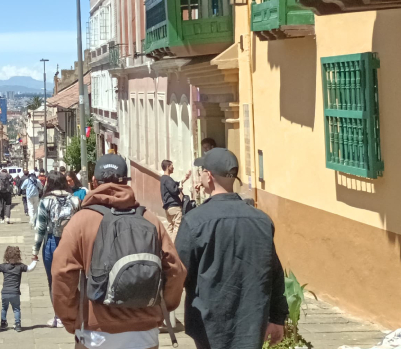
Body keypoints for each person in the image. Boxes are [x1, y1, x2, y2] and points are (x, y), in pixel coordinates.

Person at [51, 154, 186, 349]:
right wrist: (161, 309)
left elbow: (61, 273)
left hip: (95, 334)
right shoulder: (150, 219)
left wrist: (73, 319)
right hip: (144, 333)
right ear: (126, 181)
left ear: (94, 182)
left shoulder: (80, 222)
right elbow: (176, 270)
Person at [176, 148, 287, 349]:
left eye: (202, 170)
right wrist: (277, 318)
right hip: (251, 322)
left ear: (209, 176)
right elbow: (275, 273)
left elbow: (179, 272)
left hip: (208, 324)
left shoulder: (194, 221)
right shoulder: (262, 221)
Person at [32, 172, 80, 328]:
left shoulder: (46, 201)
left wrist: (35, 250)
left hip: (52, 242)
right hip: (72, 242)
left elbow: (40, 228)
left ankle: (59, 317)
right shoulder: (75, 199)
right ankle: (74, 312)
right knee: (72, 279)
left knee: (53, 280)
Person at [160, 160, 191, 241]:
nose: (173, 167)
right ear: (167, 167)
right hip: (174, 207)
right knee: (178, 226)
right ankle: (174, 247)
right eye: (171, 166)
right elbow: (174, 190)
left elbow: (175, 184)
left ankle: (169, 246)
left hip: (168, 208)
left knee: (170, 227)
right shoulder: (167, 179)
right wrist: (179, 189)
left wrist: (185, 179)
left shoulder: (163, 179)